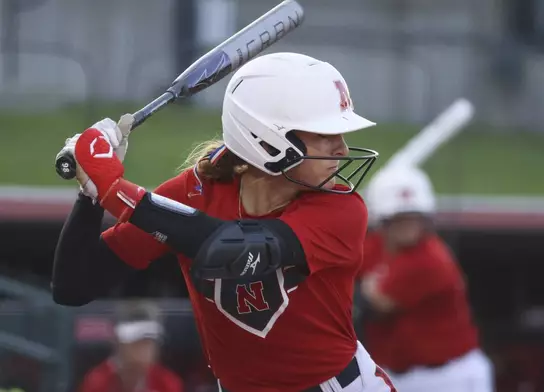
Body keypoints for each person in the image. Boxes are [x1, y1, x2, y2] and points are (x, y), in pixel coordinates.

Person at [51, 52, 397, 392]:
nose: (341, 148)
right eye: (324, 133)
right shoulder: (195, 192)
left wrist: (116, 190)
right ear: (267, 138)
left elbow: (236, 250)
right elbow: (74, 285)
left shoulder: (341, 208)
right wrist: (91, 193)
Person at [355, 165, 494, 392]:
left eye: (415, 218)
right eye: (399, 218)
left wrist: (363, 287)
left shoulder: (430, 259)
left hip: (449, 377)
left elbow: (378, 305)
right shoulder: (373, 246)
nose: (409, 226)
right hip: (399, 374)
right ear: (384, 220)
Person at [78, 300, 183, 392]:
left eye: (148, 343)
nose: (144, 351)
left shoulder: (167, 382)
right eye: (136, 342)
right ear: (119, 343)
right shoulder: (97, 382)